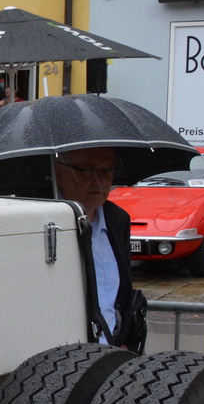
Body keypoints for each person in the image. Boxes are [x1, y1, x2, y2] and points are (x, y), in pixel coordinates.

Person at [53, 146, 146, 351]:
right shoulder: (45, 221)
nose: (101, 180)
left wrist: (125, 343)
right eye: (89, 169)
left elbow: (122, 290)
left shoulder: (117, 219)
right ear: (59, 172)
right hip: (64, 356)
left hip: (112, 354)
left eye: (108, 170)